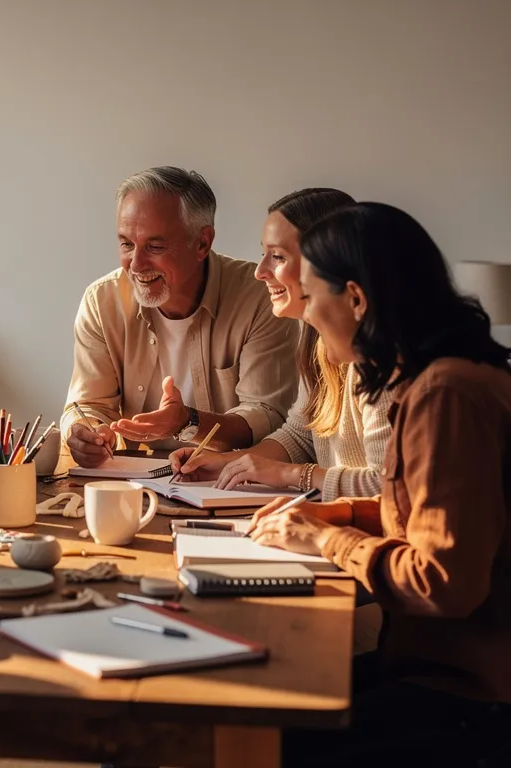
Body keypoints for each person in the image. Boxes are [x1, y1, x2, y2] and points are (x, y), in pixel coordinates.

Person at [246, 203, 511, 766]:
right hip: (434, 670)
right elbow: (426, 518)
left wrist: (325, 543)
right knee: (257, 704)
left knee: (255, 739)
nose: (309, 314)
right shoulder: (440, 377)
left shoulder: (446, 396)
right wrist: (332, 518)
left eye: (313, 296)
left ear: (357, 300)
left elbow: (443, 580)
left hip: (472, 696)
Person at [62, 166, 299, 468]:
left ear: (202, 243)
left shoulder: (259, 298)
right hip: (134, 480)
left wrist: (187, 422)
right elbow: (86, 405)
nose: (135, 264)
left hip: (226, 479)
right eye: (126, 244)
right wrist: (87, 432)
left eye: (155, 246)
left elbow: (266, 416)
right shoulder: (101, 301)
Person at [170, 188, 393, 501]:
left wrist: (292, 475)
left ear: (328, 262)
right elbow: (301, 436)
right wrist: (228, 464)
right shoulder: (314, 336)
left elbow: (389, 488)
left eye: (277, 256)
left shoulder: (382, 357)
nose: (260, 272)